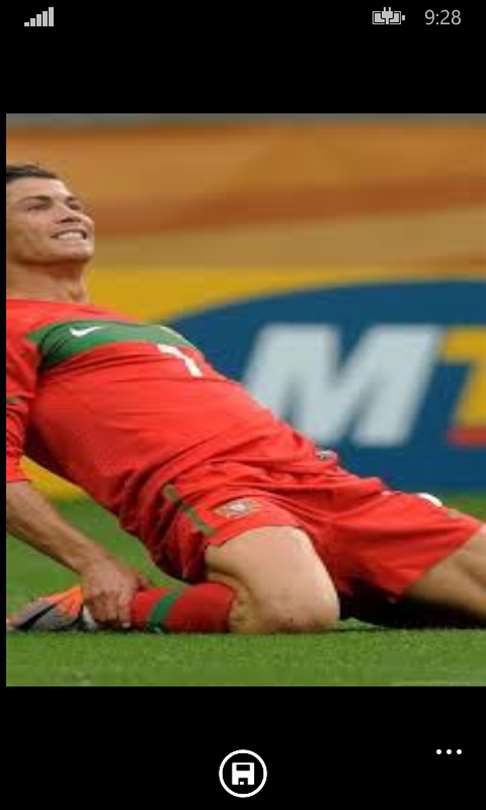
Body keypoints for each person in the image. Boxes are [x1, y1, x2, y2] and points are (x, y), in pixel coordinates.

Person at [6, 163, 486, 635]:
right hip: (208, 488)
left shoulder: (141, 328)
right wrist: (95, 562)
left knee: (321, 598)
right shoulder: (14, 321)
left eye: (73, 203)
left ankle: (338, 579)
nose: (69, 214)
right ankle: (99, 610)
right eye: (38, 206)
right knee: (293, 611)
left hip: (320, 480)